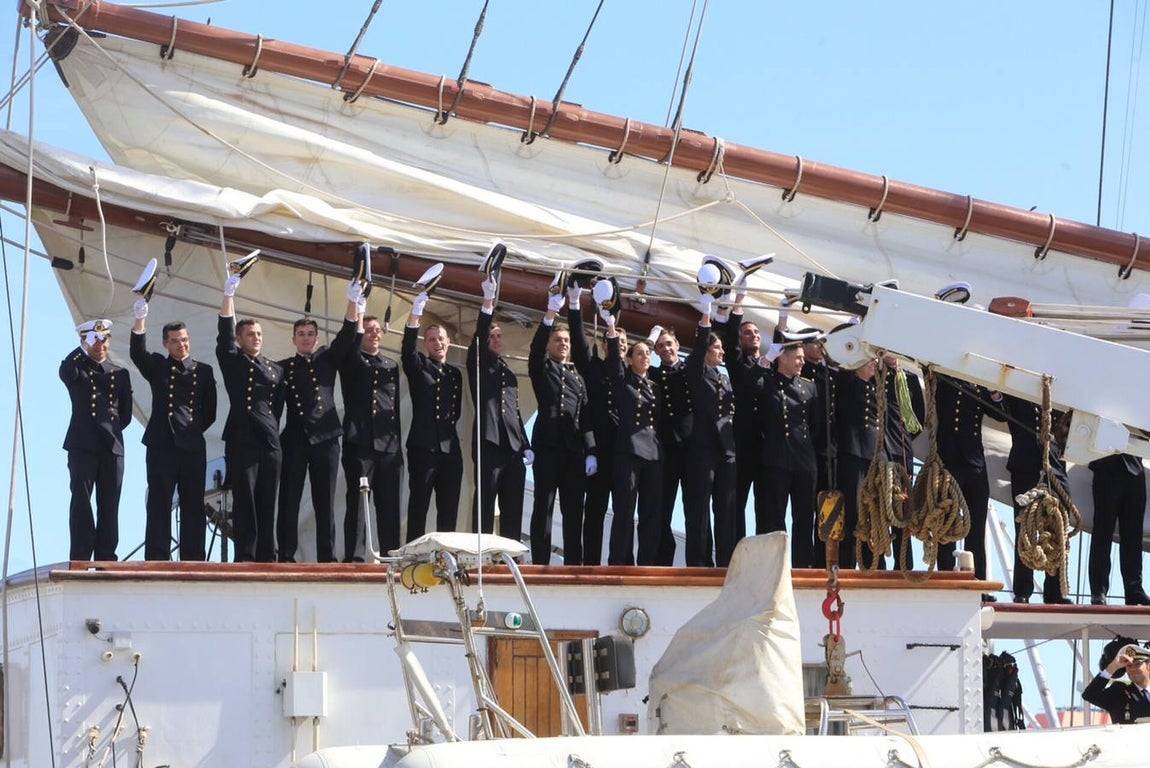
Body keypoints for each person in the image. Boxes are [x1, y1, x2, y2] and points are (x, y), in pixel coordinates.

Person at [129, 301, 217, 561]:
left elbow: (209, 412)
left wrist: (190, 431)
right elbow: (137, 353)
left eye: (185, 340)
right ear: (165, 344)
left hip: (191, 446)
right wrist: (140, 318)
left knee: (193, 503)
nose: (182, 345)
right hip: (161, 444)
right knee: (159, 502)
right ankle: (157, 557)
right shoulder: (158, 366)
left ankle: (194, 558)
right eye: (175, 341)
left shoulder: (203, 371)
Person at [216, 273, 284, 562]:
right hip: (242, 438)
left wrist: (270, 428)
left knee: (268, 499)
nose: (255, 338)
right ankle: (246, 554)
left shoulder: (274, 369)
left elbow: (277, 405)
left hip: (269, 439)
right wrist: (228, 296)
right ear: (239, 339)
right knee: (245, 500)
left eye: (258, 334)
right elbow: (223, 337)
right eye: (250, 334)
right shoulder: (234, 361)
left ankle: (268, 555)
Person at [336, 283, 403, 559]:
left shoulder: (390, 366)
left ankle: (391, 556)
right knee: (358, 502)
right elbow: (349, 348)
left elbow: (393, 407)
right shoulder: (352, 360)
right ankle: (354, 557)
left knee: (389, 505)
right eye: (369, 330)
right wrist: (358, 311)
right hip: (360, 442)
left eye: (377, 330)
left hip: (388, 445)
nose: (374, 334)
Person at [528, 288, 596, 564]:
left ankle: (573, 564)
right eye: (558, 340)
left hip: (574, 450)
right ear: (549, 345)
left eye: (566, 340)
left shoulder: (578, 377)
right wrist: (550, 315)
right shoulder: (543, 368)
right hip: (547, 446)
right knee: (543, 506)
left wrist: (591, 451)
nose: (563, 344)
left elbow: (586, 416)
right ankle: (540, 561)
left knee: (573, 510)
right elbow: (535, 351)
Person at [276, 317, 349, 563]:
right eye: (301, 334)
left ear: (317, 339)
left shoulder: (327, 358)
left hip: (326, 437)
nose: (306, 338)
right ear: (294, 339)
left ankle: (327, 557)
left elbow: (347, 336)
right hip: (295, 438)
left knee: (325, 500)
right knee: (289, 499)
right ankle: (286, 555)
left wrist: (355, 304)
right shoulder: (282, 367)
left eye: (310, 334)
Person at [60, 319, 133, 562]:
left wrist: (109, 431)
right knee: (81, 499)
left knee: (109, 503)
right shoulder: (78, 368)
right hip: (83, 443)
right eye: (95, 339)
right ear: (85, 341)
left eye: (104, 339)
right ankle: (81, 555)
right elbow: (66, 372)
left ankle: (106, 557)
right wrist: (82, 348)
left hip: (111, 445)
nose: (101, 344)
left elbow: (125, 415)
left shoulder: (120, 374)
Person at [467, 275, 530, 540]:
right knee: (485, 501)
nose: (495, 340)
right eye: (491, 336)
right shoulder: (479, 365)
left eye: (498, 336)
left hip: (513, 446)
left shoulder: (509, 374)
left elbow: (515, 412)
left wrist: (525, 444)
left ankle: (509, 552)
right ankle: (479, 549)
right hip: (489, 442)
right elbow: (479, 339)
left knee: (513, 505)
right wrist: (488, 303)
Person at [603, 308, 664, 565]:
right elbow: (614, 359)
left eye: (648, 353)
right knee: (625, 510)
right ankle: (619, 561)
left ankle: (647, 562)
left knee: (650, 512)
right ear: (629, 359)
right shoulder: (623, 379)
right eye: (639, 353)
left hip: (653, 453)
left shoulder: (655, 387)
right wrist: (611, 327)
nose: (645, 356)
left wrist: (652, 340)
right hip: (629, 451)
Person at [402, 291, 464, 541]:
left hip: (450, 448)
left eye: (440, 338)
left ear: (448, 341)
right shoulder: (420, 365)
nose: (437, 343)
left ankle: (444, 553)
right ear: (425, 344)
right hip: (423, 446)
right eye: (431, 340)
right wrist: (415, 314)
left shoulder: (454, 374)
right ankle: (413, 552)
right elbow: (407, 352)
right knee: (419, 504)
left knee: (449, 508)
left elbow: (455, 411)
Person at [566, 283, 621, 565]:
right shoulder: (594, 368)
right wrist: (575, 305)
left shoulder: (630, 376)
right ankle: (590, 564)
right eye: (613, 341)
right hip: (597, 451)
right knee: (594, 512)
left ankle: (620, 563)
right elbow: (578, 342)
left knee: (624, 514)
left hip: (623, 454)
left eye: (622, 343)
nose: (617, 346)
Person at [756, 333, 820, 567]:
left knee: (804, 517)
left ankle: (804, 565)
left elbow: (815, 424)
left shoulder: (810, 387)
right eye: (798, 357)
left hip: (804, 459)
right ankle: (775, 566)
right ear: (783, 358)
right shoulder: (768, 382)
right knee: (774, 518)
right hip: (776, 457)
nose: (802, 362)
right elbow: (750, 384)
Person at [681, 296, 737, 567]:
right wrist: (706, 314)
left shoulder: (725, 379)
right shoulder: (696, 372)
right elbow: (699, 348)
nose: (722, 353)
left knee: (726, 510)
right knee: (699, 510)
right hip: (702, 450)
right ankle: (699, 563)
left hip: (726, 452)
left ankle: (726, 563)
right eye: (717, 348)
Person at [1002, 394, 1072, 604]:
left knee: (1058, 530)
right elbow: (1000, 407)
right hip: (1025, 465)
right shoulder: (1016, 392)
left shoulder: (1060, 396)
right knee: (1025, 530)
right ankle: (1023, 590)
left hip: (1055, 468)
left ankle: (1054, 592)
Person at [648, 325, 692, 566]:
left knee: (694, 509)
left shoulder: (691, 370)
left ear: (677, 345)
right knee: (661, 508)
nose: (665, 349)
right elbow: (634, 362)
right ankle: (662, 559)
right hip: (665, 448)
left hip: (691, 448)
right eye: (660, 346)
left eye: (669, 344)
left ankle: (698, 562)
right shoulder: (653, 374)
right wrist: (650, 340)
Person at [1088, 453, 1150, 605]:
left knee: (1134, 535)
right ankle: (1099, 589)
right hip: (1106, 467)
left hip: (1135, 470)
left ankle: (1134, 588)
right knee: (1103, 532)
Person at [1083, 643, 1150, 724]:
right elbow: (1089, 695)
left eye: (1137, 664)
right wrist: (1113, 667)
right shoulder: (1118, 693)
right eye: (1129, 666)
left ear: (1148, 666)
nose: (1132, 669)